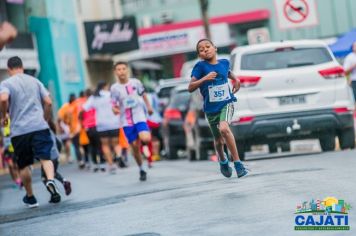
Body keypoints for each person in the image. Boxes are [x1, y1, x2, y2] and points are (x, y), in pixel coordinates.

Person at [0, 56, 61, 207]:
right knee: (45, 158)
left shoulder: (6, 83)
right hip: (39, 126)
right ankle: (51, 181)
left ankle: (31, 197)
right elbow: (48, 101)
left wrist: (4, 115)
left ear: (9, 69)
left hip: (19, 131)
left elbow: (3, 99)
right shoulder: (35, 80)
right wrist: (45, 117)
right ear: (22, 66)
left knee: (24, 165)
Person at [188, 39, 248, 178]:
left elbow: (227, 72)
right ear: (199, 55)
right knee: (219, 141)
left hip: (227, 103)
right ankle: (223, 160)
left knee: (224, 129)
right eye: (201, 50)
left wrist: (236, 79)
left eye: (207, 47)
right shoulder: (200, 67)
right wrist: (204, 79)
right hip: (210, 109)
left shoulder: (224, 62)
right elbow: (190, 87)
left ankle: (238, 163)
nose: (205, 50)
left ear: (215, 48)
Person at [111, 61, 154, 181]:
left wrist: (149, 107)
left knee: (145, 138)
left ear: (127, 70)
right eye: (118, 69)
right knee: (134, 147)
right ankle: (142, 168)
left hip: (139, 116)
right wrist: (115, 110)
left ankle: (144, 145)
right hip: (126, 121)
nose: (121, 71)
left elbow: (143, 94)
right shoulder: (114, 88)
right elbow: (113, 105)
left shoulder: (136, 82)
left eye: (123, 69)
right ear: (115, 72)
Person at [83, 81, 123, 174]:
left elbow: (85, 108)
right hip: (114, 123)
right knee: (116, 143)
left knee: (105, 145)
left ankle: (111, 165)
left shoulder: (94, 97)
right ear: (106, 86)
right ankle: (118, 155)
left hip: (101, 124)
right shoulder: (111, 95)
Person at [41, 119, 72, 196]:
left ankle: (54, 194)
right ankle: (64, 182)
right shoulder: (52, 132)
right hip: (55, 156)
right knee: (52, 172)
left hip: (47, 157)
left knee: (44, 177)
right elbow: (59, 144)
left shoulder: (40, 134)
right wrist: (57, 154)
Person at [80, 88, 106, 172]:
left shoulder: (84, 106)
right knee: (99, 145)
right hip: (97, 126)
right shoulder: (95, 104)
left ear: (86, 96)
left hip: (88, 128)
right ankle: (102, 164)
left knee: (92, 146)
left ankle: (95, 164)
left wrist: (83, 124)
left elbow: (80, 116)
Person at [58, 94, 83, 168]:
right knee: (79, 146)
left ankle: (80, 160)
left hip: (73, 130)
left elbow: (60, 118)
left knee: (76, 146)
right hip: (79, 129)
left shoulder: (66, 107)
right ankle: (83, 160)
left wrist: (64, 123)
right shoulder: (77, 105)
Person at [1, 118, 22, 188]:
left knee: (15, 165)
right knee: (10, 165)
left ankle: (20, 179)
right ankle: (16, 181)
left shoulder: (11, 121)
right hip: (6, 149)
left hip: (13, 148)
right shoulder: (1, 126)